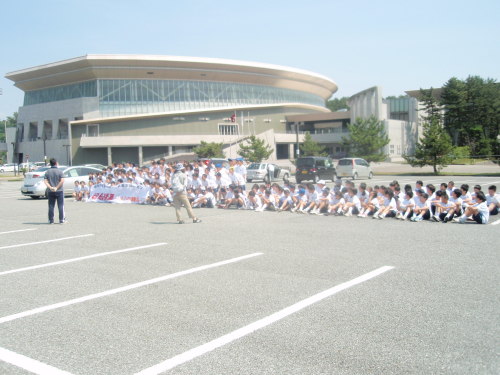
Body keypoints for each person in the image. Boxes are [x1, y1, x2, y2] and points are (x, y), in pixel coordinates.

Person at [44, 158, 65, 224]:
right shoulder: (60, 171)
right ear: (56, 163)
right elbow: (62, 181)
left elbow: (45, 181)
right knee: (61, 205)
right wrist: (56, 187)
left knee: (51, 206)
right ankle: (61, 220)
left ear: (50, 163)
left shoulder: (47, 172)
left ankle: (51, 220)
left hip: (50, 191)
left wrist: (50, 187)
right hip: (59, 191)